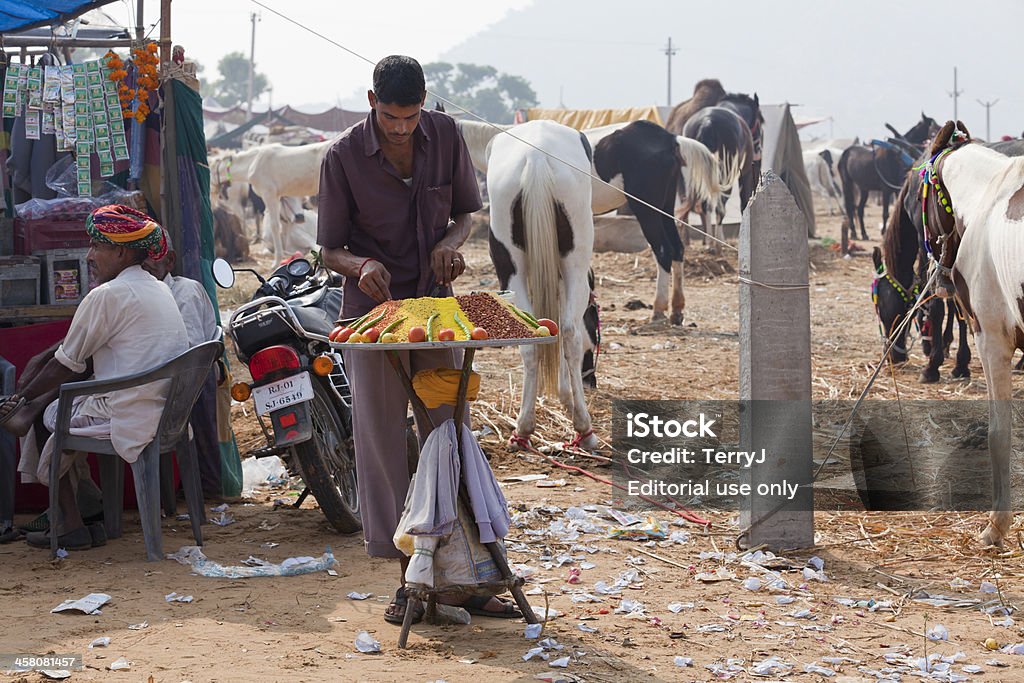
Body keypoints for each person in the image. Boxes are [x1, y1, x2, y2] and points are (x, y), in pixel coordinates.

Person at [317, 55, 518, 624]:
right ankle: (406, 579)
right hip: (372, 319)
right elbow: (328, 248)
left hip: (433, 307)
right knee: (380, 446)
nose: (400, 128)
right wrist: (359, 267)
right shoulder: (341, 157)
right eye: (389, 117)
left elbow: (464, 216)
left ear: (424, 103)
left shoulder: (447, 135)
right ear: (371, 102)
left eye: (409, 117)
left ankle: (469, 576)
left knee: (449, 436)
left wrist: (451, 246)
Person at [0, 205, 188, 550]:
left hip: (128, 411)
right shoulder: (157, 287)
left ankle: (70, 522)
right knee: (57, 401)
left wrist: (22, 398)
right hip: (159, 408)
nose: (89, 255)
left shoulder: (107, 294)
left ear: (120, 251)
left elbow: (66, 364)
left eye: (96, 247)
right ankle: (87, 507)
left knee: (45, 418)